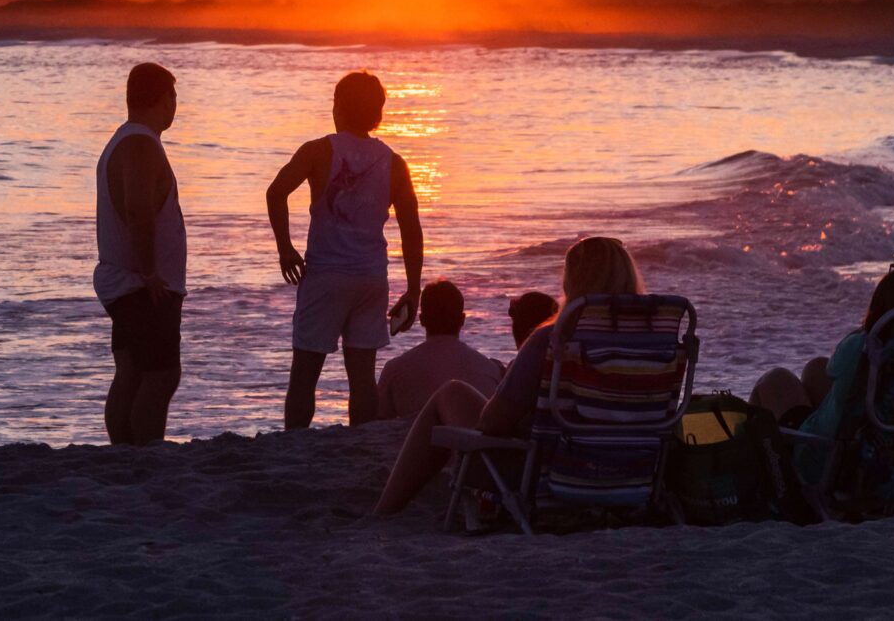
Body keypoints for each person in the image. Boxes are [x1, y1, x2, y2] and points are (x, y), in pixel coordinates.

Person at [372, 236, 645, 515]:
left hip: (554, 473)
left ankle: (383, 512)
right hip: (635, 471)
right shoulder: (651, 341)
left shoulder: (553, 339)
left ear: (571, 282)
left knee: (451, 392)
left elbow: (494, 421)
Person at [265, 71, 424, 429]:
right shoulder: (395, 162)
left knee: (305, 372)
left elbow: (276, 193)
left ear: (337, 108)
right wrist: (414, 289)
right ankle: (361, 442)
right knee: (362, 376)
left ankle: (295, 442)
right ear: (377, 114)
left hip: (324, 276)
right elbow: (411, 230)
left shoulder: (318, 150)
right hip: (370, 277)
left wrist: (285, 248)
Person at [749, 252, 894, 482]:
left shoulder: (865, 348)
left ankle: (771, 482)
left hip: (839, 464)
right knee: (816, 367)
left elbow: (838, 366)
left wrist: (872, 329)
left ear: (883, 308)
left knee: (776, 379)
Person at [97, 61, 185, 445]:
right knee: (161, 374)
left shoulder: (129, 139)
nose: (175, 106)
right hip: (141, 284)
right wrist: (150, 272)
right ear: (163, 99)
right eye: (173, 97)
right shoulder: (140, 144)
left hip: (129, 280)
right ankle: (144, 452)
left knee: (132, 370)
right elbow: (137, 209)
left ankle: (125, 450)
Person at [376, 281, 505, 419]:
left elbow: (379, 423)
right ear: (462, 320)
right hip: (470, 439)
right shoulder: (491, 369)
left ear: (422, 319)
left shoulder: (395, 369)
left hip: (417, 438)